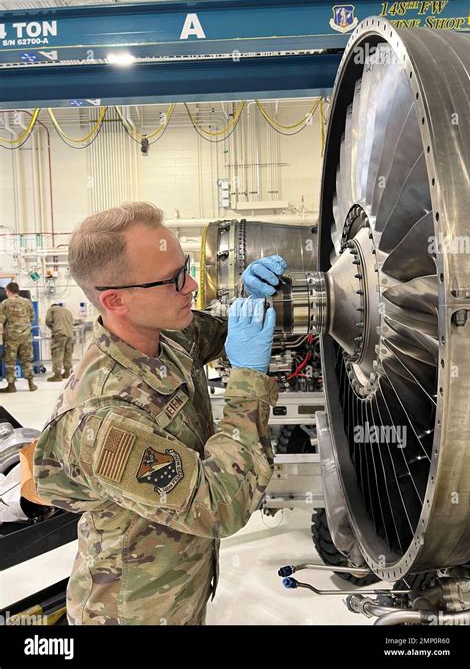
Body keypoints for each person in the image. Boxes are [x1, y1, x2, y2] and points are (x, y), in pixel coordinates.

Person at [32, 201, 287, 625]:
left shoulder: (165, 335)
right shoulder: (105, 420)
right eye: (172, 280)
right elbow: (221, 504)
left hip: (179, 591)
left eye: (183, 268)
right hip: (135, 611)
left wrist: (250, 299)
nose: (189, 286)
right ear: (116, 300)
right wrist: (248, 382)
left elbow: (227, 334)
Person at [0, 282, 37, 393]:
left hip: (12, 336)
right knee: (27, 359)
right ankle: (31, 384)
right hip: (26, 335)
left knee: (10, 361)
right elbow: (31, 317)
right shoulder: (27, 302)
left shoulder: (5, 303)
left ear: (8, 291)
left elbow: (1, 321)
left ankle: (11, 385)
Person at [45, 303, 75, 382]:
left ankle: (57, 375)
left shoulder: (52, 309)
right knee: (67, 353)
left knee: (57, 353)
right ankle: (67, 372)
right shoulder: (68, 311)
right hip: (70, 335)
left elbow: (48, 321)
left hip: (59, 334)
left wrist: (53, 329)